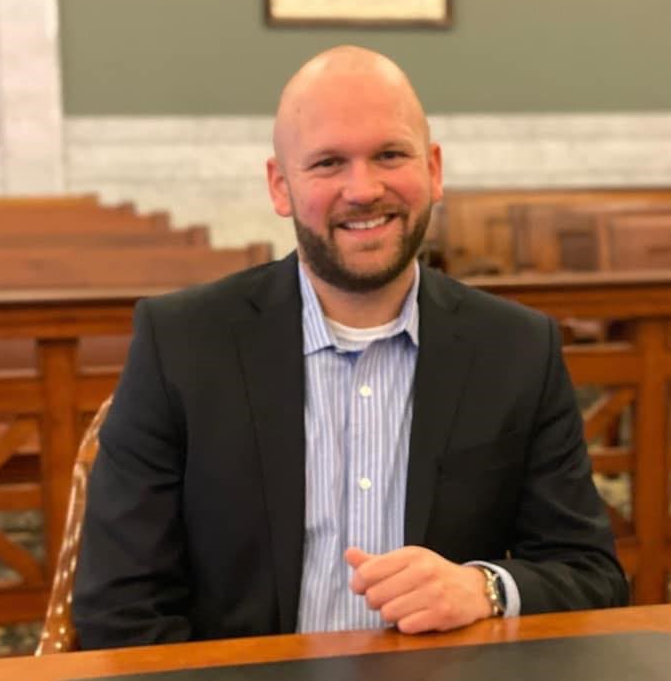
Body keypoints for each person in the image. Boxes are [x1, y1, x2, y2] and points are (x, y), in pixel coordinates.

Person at [72, 46, 627, 649]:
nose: (363, 189)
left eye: (390, 155)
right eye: (328, 162)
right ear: (280, 187)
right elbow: (120, 607)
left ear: (434, 170)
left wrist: (484, 588)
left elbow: (589, 574)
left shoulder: (517, 348)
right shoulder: (180, 342)